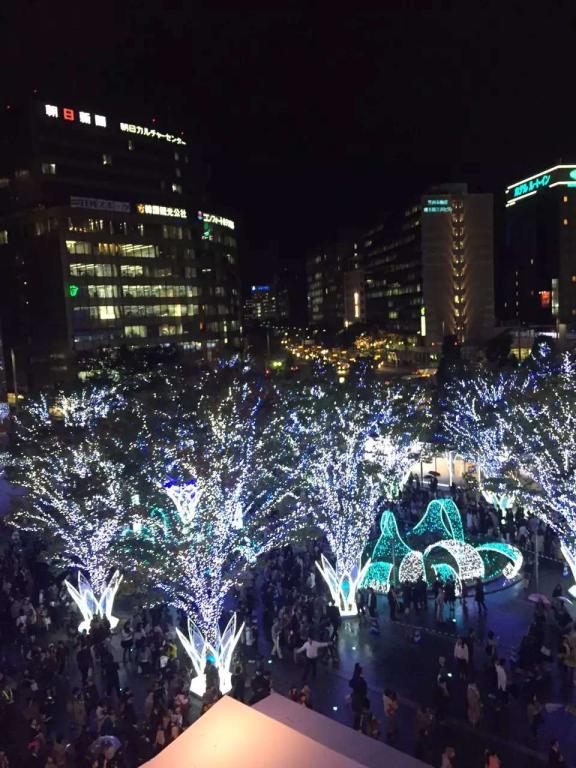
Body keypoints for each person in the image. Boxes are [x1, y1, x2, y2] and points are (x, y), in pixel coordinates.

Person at [349, 663, 368, 731]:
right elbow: (365, 691)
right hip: (359, 699)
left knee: (356, 712)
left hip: (355, 698)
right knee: (358, 713)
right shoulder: (362, 682)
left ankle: (356, 726)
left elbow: (351, 683)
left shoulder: (355, 679)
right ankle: (357, 727)